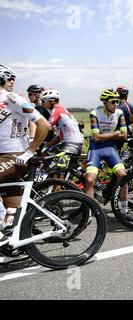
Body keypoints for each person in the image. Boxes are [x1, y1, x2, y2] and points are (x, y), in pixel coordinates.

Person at [0, 64, 51, 248]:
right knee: (10, 206)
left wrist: (30, 151)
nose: (12, 81)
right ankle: (16, 241)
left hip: (14, 155)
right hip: (3, 156)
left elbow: (44, 125)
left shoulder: (13, 99)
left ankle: (2, 238)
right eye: (10, 78)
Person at [86, 89, 133, 219]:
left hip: (109, 147)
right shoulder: (94, 113)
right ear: (104, 102)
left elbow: (124, 135)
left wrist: (105, 136)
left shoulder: (119, 113)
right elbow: (96, 138)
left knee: (123, 176)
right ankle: (88, 212)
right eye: (113, 102)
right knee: (90, 179)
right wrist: (114, 134)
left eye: (117, 101)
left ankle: (124, 210)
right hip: (95, 148)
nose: (116, 104)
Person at [41, 89, 84, 156]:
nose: (42, 103)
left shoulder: (56, 110)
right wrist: (47, 145)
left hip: (70, 144)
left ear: (52, 101)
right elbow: (61, 137)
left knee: (50, 163)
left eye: (43, 101)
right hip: (74, 143)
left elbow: (45, 127)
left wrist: (34, 142)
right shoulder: (62, 109)